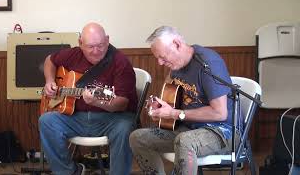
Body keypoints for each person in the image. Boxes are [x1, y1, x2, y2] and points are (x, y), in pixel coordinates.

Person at [129, 26, 240, 175]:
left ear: (177, 44)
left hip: (222, 132)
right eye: (157, 58)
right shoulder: (176, 64)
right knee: (138, 137)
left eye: (162, 56)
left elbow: (219, 113)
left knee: (184, 141)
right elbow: (169, 96)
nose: (160, 63)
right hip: (189, 129)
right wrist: (159, 108)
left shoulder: (208, 63)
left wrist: (175, 114)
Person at [39, 22, 138, 175]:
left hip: (113, 119)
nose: (96, 51)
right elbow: (49, 60)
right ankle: (69, 171)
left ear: (107, 40)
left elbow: (122, 103)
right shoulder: (73, 54)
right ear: (80, 43)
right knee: (46, 121)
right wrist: (50, 81)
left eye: (100, 45)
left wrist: (97, 101)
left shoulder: (121, 63)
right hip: (77, 117)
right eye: (90, 47)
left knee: (125, 128)